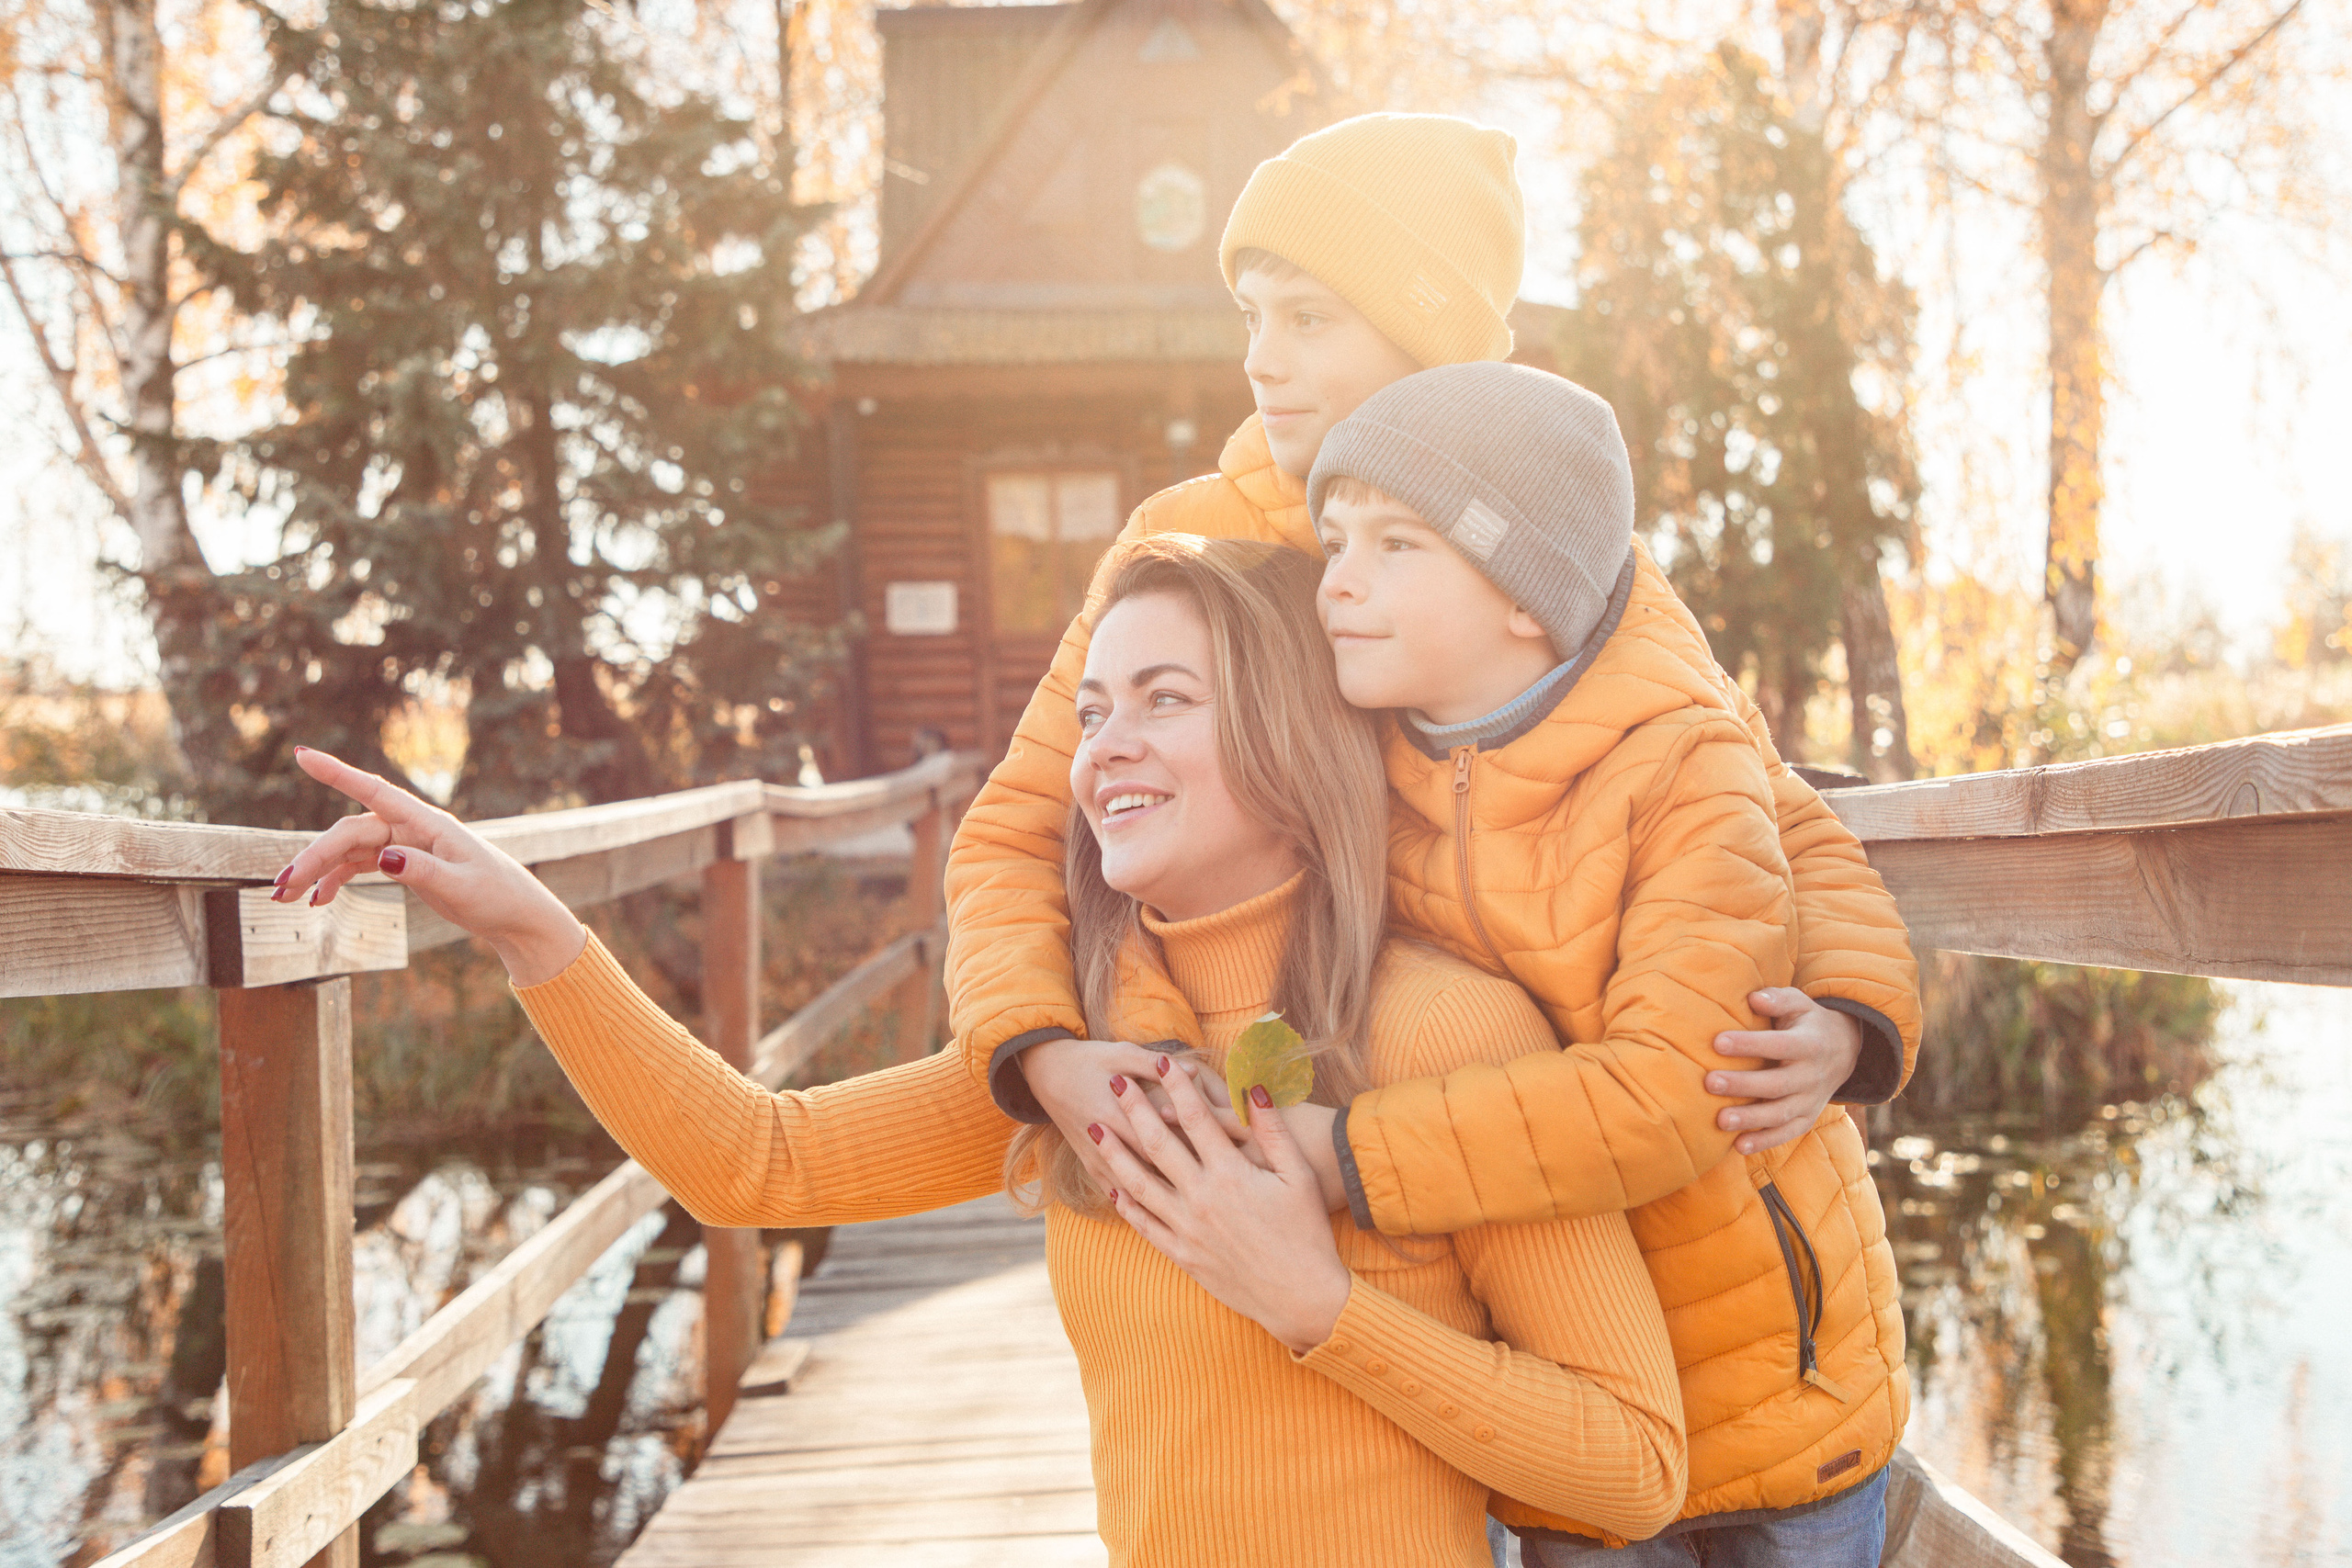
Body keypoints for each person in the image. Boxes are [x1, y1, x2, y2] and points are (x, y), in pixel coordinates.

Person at [270, 535, 1689, 1568]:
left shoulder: (1448, 1029)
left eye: (1165, 700)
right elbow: (752, 1162)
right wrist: (529, 928)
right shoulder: (1074, 1049)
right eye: (1092, 710)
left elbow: (1634, 1466)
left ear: (1293, 732)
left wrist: (1325, 1308)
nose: (1104, 750)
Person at [948, 140, 1923, 1555]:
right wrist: (1059, 1055)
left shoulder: (1570, 563)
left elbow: (1773, 812)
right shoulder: (1189, 553)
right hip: (1485, 1261)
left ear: (1435, 338)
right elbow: (1027, 843)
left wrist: (1850, 1015)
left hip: (1740, 1279)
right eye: (1252, 319)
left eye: (1311, 318)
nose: (1263, 367)